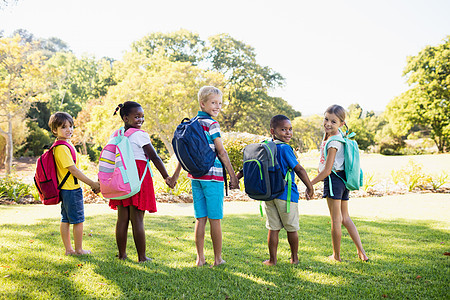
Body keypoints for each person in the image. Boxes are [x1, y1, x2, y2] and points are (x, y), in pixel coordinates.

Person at [169, 86, 239, 267]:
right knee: (214, 218)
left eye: (220, 103)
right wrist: (233, 176)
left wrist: (175, 176)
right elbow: (221, 152)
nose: (217, 106)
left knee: (200, 218)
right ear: (203, 103)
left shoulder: (191, 124)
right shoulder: (212, 124)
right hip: (213, 177)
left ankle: (200, 258)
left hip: (195, 177)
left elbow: (184, 155)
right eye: (213, 102)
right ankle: (217, 259)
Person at [109, 101, 174, 262]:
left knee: (122, 218)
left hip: (122, 178)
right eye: (136, 116)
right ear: (125, 118)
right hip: (138, 177)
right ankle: (142, 257)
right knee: (137, 218)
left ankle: (122, 254)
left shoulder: (116, 135)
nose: (140, 120)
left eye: (142, 116)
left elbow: (110, 157)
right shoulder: (140, 135)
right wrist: (167, 176)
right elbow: (154, 157)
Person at [311, 104, 369, 262]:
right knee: (345, 218)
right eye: (326, 119)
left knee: (336, 220)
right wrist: (327, 132)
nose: (328, 124)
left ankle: (336, 256)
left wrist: (310, 184)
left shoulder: (333, 143)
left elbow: (327, 171)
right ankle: (361, 252)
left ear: (342, 124)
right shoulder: (340, 136)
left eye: (333, 122)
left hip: (333, 181)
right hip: (343, 180)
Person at [255, 114, 314, 266]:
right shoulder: (285, 149)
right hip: (287, 196)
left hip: (269, 194)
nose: (288, 133)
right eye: (283, 130)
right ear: (273, 131)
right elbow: (299, 169)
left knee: (273, 228)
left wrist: (237, 177)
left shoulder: (266, 146)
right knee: (291, 228)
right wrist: (310, 186)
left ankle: (272, 260)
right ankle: (294, 259)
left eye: (290, 129)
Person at [48, 112, 101, 256]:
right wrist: (92, 184)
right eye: (63, 127)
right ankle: (78, 250)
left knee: (65, 219)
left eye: (70, 126)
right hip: (71, 189)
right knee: (78, 220)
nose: (69, 130)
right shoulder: (62, 148)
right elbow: (73, 170)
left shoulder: (63, 145)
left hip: (66, 189)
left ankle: (69, 250)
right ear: (54, 130)